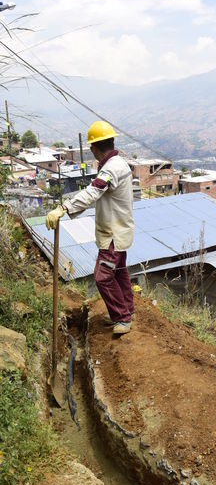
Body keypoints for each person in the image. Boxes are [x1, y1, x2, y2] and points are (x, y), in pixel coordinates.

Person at [46, 120, 135, 335]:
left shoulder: (111, 169)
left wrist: (64, 207)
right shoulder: (118, 163)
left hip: (113, 233)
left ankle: (122, 317)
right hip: (120, 229)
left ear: (94, 148)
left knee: (102, 276)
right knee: (119, 273)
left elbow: (93, 191)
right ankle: (127, 311)